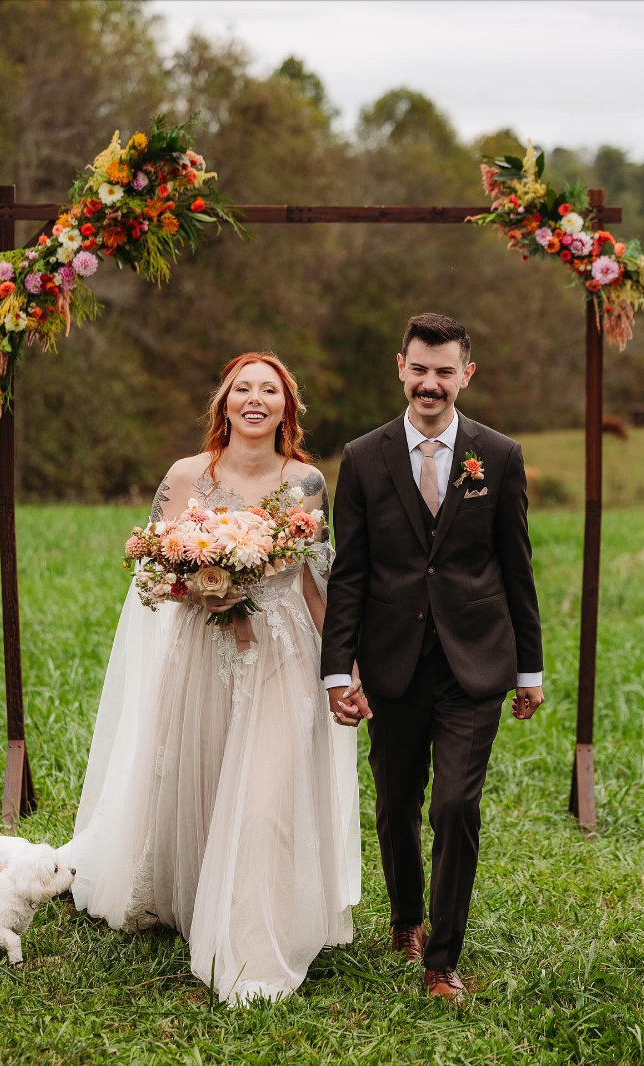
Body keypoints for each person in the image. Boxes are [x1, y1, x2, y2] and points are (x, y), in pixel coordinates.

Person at [61, 350, 361, 1004]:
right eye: (242, 389)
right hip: (200, 648)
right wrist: (198, 587)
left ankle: (251, 945)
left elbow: (316, 585)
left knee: (265, 797)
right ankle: (194, 900)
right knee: (199, 776)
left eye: (269, 391)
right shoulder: (184, 476)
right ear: (223, 403)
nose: (255, 399)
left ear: (287, 408)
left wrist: (344, 669)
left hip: (281, 652)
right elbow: (153, 567)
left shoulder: (306, 483)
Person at [321, 312, 544, 1006]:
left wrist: (529, 670)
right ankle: (405, 919)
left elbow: (518, 567)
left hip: (476, 662)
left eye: (445, 371)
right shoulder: (362, 457)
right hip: (392, 662)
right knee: (395, 805)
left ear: (465, 375)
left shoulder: (498, 456)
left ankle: (441, 960)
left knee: (455, 805)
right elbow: (349, 573)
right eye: (420, 368)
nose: (430, 382)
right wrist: (338, 671)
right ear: (400, 367)